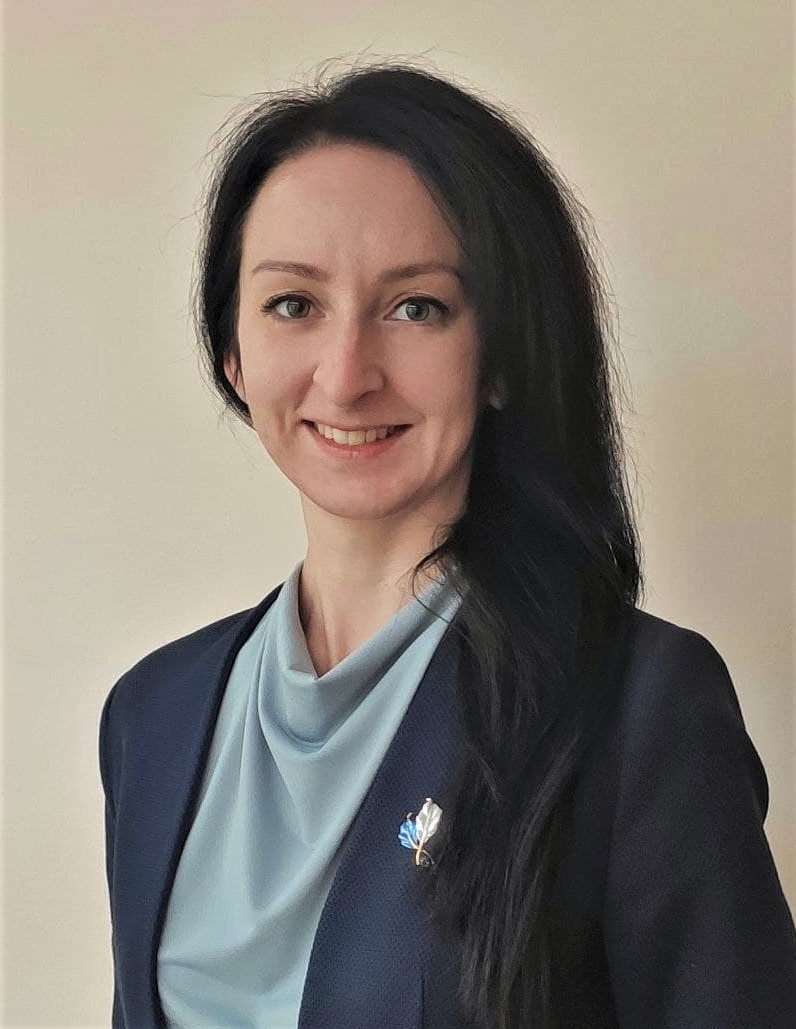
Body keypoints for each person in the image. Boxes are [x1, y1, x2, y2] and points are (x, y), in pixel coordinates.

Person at [99, 63, 796, 1029]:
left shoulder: (639, 708)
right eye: (294, 304)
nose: (347, 375)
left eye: (416, 306)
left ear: (502, 355)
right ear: (234, 352)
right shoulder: (152, 716)